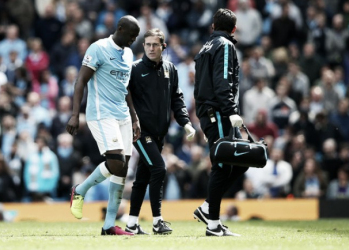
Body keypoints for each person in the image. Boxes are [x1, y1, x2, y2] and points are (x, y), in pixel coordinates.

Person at [66, 15, 141, 236]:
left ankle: (109, 225)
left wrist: (135, 118)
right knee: (116, 162)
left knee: (123, 169)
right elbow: (81, 80)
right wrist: (74, 114)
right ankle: (80, 190)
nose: (134, 40)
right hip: (101, 113)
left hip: (123, 115)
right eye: (132, 35)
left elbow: (125, 88)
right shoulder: (98, 48)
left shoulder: (128, 53)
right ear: (120, 29)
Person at [124, 28, 195, 235]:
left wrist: (186, 123)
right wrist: (130, 122)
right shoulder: (134, 69)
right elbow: (124, 98)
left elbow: (177, 99)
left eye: (155, 45)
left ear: (164, 47)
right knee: (159, 169)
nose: (151, 48)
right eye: (148, 45)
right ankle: (157, 221)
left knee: (142, 178)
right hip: (140, 132)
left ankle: (131, 224)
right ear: (143, 46)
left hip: (159, 134)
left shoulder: (171, 69)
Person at [193, 8, 245, 237]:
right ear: (233, 29)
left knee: (240, 159)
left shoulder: (205, 47)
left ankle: (207, 208)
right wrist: (230, 110)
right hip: (219, 111)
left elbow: (199, 86)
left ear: (212, 26)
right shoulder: (225, 45)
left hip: (208, 112)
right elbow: (223, 80)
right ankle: (213, 224)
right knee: (223, 163)